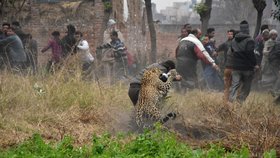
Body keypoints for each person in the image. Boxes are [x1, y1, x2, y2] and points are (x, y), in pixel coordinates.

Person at [176, 28, 219, 93]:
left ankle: (182, 95)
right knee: (193, 81)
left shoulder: (183, 40)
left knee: (183, 79)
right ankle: (194, 95)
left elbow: (177, 51)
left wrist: (178, 59)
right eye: (199, 34)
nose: (200, 36)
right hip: (189, 64)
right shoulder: (196, 41)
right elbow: (203, 54)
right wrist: (213, 63)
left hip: (179, 63)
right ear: (195, 34)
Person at [229, 20, 258, 103]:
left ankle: (231, 102)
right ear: (247, 29)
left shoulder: (234, 40)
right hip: (247, 68)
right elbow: (250, 53)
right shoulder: (250, 40)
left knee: (235, 85)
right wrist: (255, 64)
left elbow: (232, 51)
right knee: (246, 86)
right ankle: (240, 102)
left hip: (236, 67)